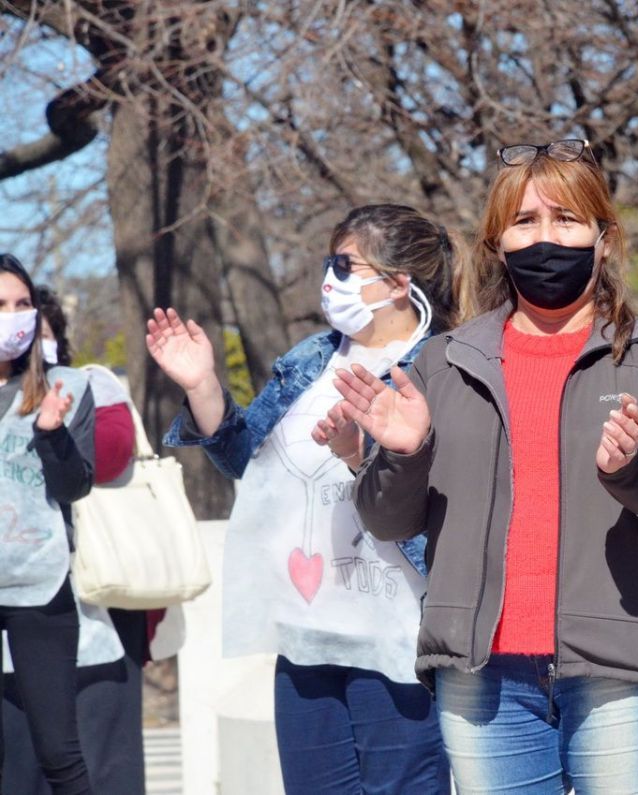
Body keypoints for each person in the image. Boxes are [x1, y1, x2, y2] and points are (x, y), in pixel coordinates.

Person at [327, 139, 638, 794]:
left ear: (603, 239)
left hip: (626, 674)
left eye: (566, 219)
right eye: (525, 221)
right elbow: (385, 519)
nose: (546, 238)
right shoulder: (444, 362)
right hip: (482, 681)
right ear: (498, 243)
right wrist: (403, 453)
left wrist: (635, 470)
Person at [149, 205, 456, 793]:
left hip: (400, 637)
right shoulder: (313, 357)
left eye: (344, 265)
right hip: (307, 634)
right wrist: (202, 386)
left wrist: (362, 452)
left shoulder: (444, 365)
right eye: (327, 263)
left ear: (398, 283)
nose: (328, 279)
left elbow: (447, 495)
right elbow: (247, 458)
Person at [2, 286, 145, 794]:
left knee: (83, 765)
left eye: (31, 321)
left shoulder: (83, 387)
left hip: (87, 612)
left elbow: (103, 461)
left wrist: (53, 431)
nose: (17, 330)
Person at [0, 255, 95, 794]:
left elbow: (73, 487)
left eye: (21, 305)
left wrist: (51, 433)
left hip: (40, 584)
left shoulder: (67, 386)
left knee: (59, 752)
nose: (12, 317)